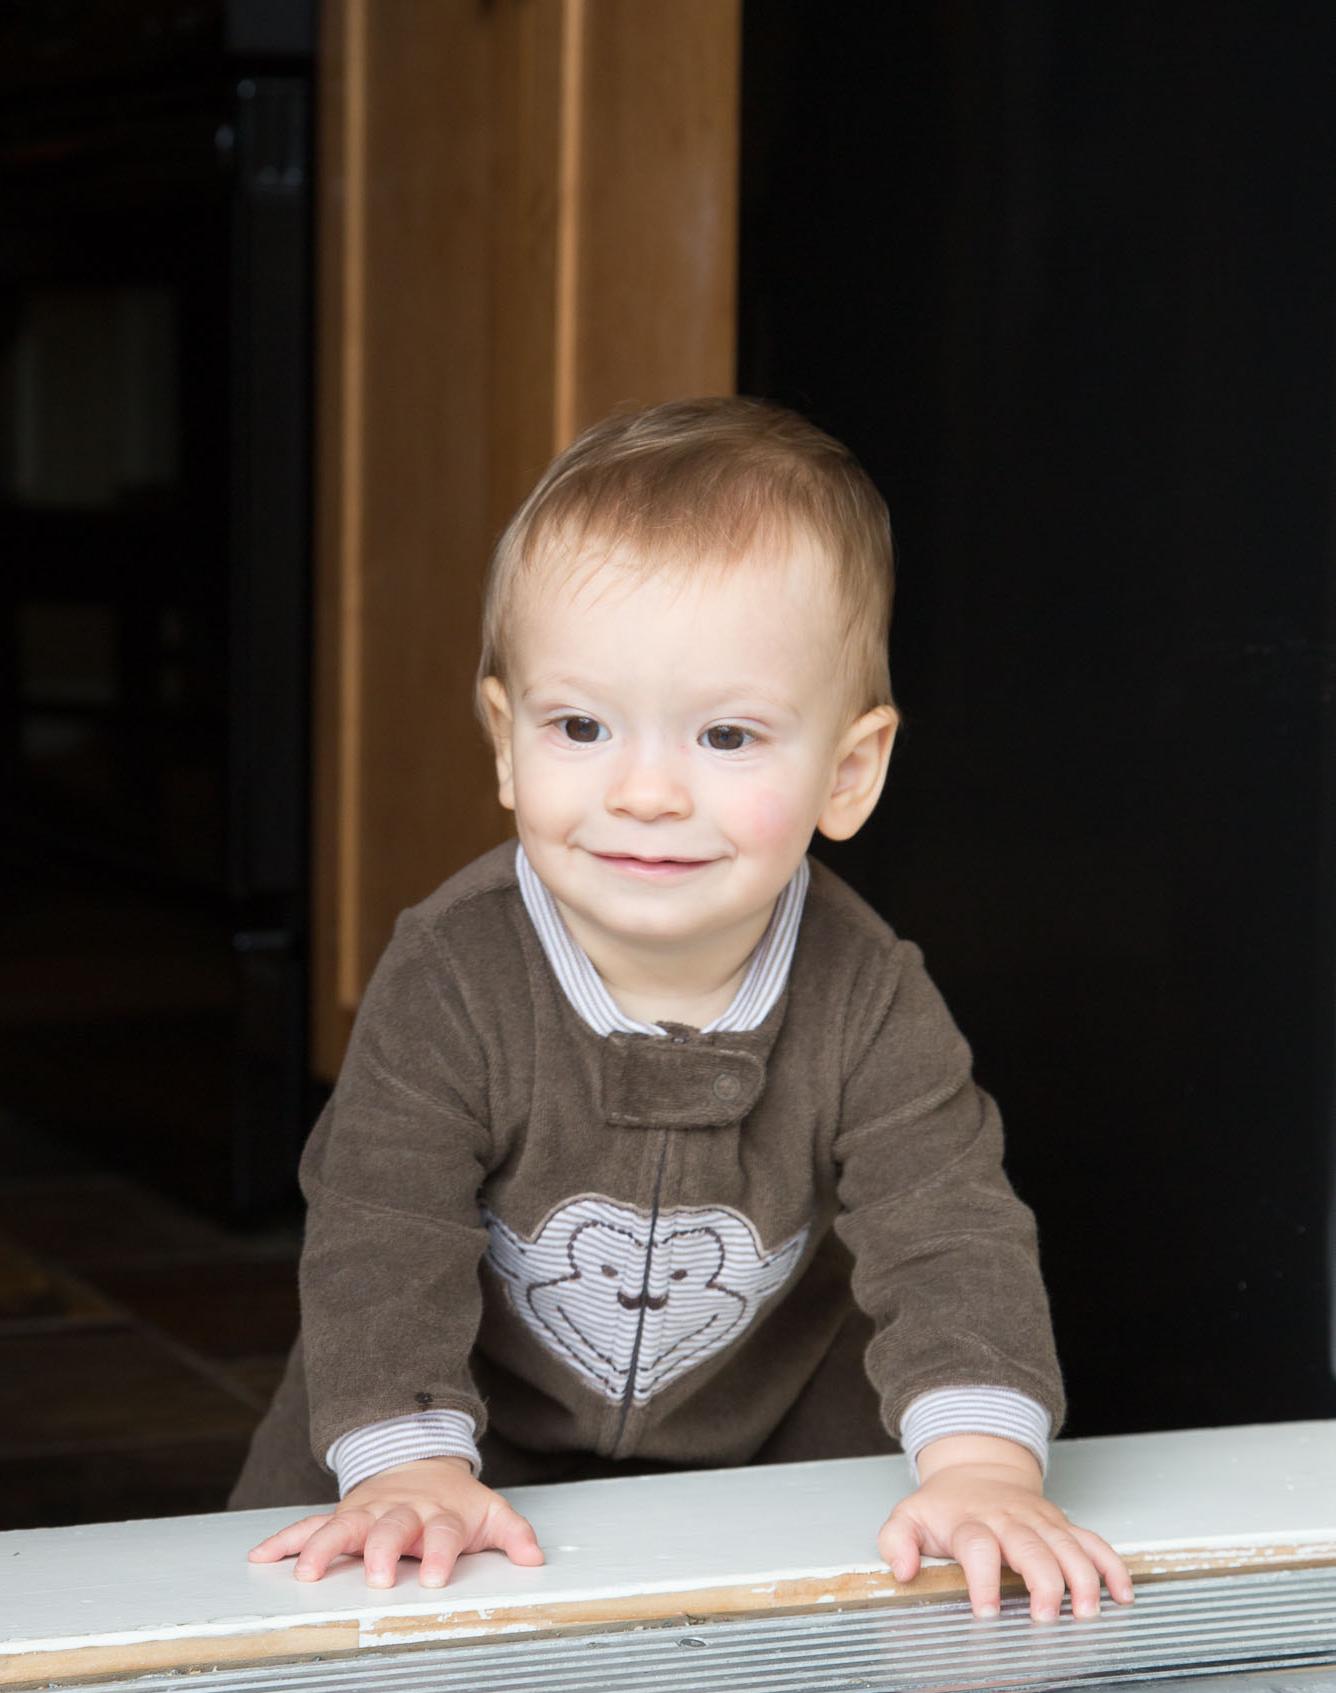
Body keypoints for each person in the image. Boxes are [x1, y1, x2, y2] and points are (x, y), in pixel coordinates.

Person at [235, 397, 1133, 1624]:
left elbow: (950, 1233)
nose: (646, 790)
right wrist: (405, 1462)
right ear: (504, 742)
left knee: (873, 1616)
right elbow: (382, 1225)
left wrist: (984, 1471)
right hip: (453, 1443)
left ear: (848, 771)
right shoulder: (452, 971)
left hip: (764, 1446)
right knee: (321, 1601)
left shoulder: (870, 994)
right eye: (581, 725)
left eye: (725, 734)